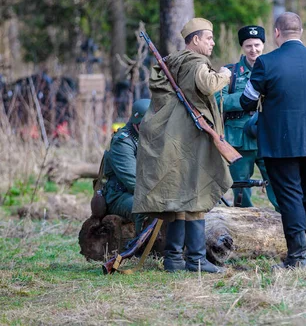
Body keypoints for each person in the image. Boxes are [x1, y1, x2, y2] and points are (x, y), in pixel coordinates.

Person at [133, 18, 233, 273]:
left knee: (179, 198)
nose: (212, 43)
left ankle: (174, 259)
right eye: (209, 38)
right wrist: (224, 75)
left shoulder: (174, 62)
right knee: (195, 197)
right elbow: (208, 85)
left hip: (177, 138)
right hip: (192, 138)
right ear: (195, 40)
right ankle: (197, 259)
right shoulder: (195, 62)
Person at [240, 12, 306, 270]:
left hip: (280, 143)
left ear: (276, 33)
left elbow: (246, 100)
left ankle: (296, 257)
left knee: (290, 197)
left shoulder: (266, 63)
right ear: (301, 31)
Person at [216, 25, 278, 211]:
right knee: (241, 187)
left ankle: (285, 220)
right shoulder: (230, 72)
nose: (254, 50)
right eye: (249, 45)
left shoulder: (273, 69)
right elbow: (218, 101)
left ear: (263, 45)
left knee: (277, 181)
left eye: (257, 45)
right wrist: (246, 100)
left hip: (268, 136)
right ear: (242, 47)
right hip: (239, 138)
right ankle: (243, 221)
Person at [103, 99, 150, 234]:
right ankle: (141, 247)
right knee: (145, 208)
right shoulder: (123, 142)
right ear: (137, 122)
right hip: (120, 195)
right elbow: (133, 181)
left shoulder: (152, 137)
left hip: (147, 191)